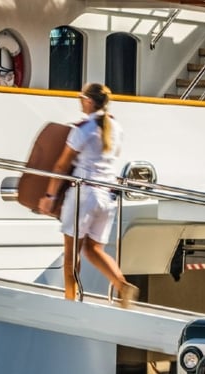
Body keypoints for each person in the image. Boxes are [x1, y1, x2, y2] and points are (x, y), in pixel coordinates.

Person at [38, 83, 138, 307]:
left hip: (84, 194)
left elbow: (61, 165)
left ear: (90, 101)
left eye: (81, 97)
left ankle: (70, 300)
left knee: (70, 252)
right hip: (107, 197)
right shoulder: (115, 127)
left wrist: (49, 196)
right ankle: (122, 285)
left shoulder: (83, 129)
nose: (79, 100)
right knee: (93, 250)